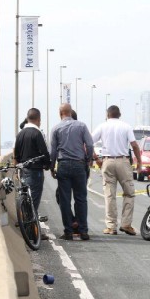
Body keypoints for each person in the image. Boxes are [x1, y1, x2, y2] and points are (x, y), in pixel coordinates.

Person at [92, 105, 142, 235]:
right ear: (119, 114)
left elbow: (88, 142)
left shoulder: (102, 126)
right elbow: (134, 145)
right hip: (123, 161)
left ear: (107, 114)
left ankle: (111, 227)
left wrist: (96, 158)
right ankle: (126, 224)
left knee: (109, 195)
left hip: (107, 161)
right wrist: (139, 162)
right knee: (129, 193)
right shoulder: (126, 126)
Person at [50, 103, 94, 241]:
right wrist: (88, 159)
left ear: (60, 113)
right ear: (71, 112)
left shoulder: (56, 128)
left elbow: (53, 151)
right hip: (79, 165)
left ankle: (68, 231)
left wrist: (52, 167)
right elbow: (90, 144)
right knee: (81, 199)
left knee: (64, 200)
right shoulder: (81, 126)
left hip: (63, 165)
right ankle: (83, 231)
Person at [13, 108, 51, 240]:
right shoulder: (37, 133)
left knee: (25, 200)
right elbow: (44, 153)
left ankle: (29, 230)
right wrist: (48, 165)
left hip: (23, 170)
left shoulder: (20, 134)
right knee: (33, 202)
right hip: (35, 171)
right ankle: (33, 232)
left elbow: (16, 154)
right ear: (38, 119)